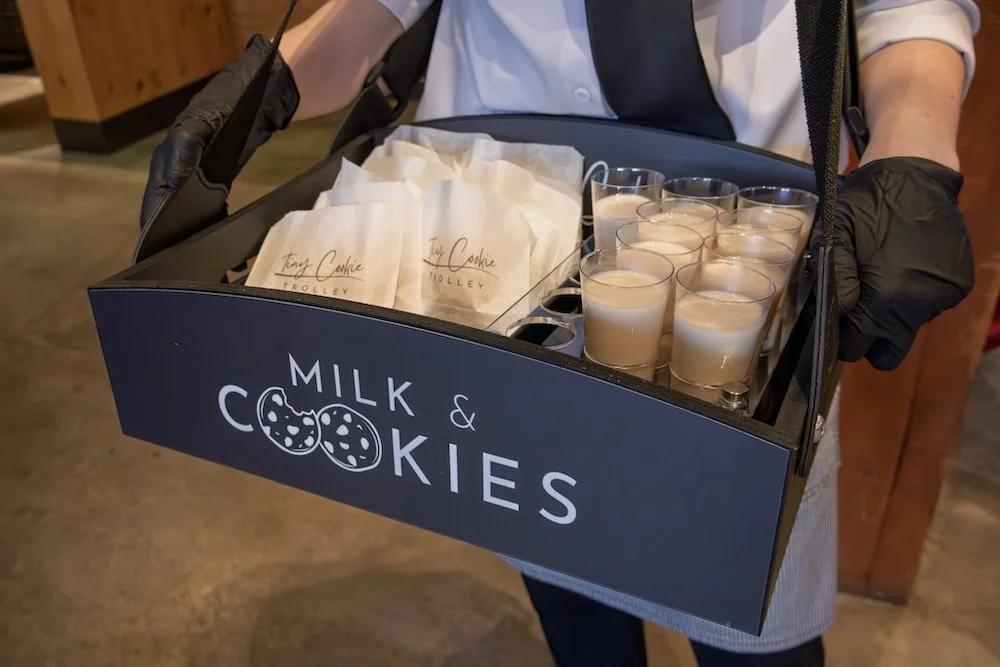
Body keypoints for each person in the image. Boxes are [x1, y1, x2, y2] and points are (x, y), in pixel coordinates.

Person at [140, 1, 979, 665]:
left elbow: (904, 12)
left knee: (744, 593)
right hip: (495, 233)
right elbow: (378, 10)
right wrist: (262, 93)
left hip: (751, 237)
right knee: (549, 535)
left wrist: (911, 160)